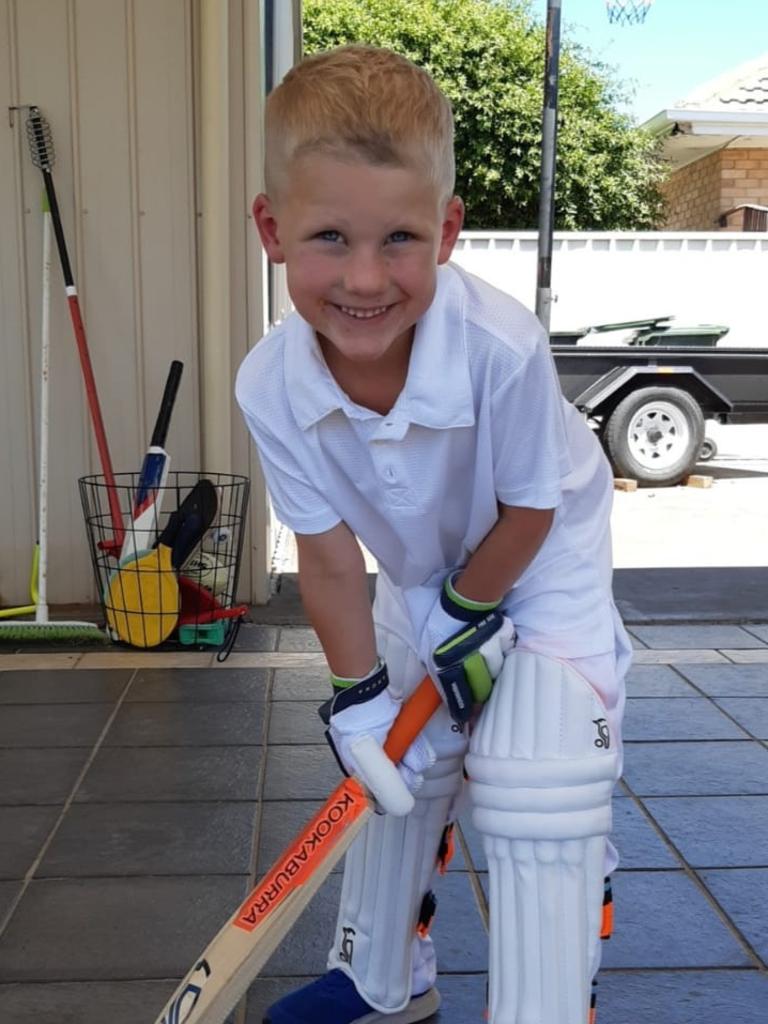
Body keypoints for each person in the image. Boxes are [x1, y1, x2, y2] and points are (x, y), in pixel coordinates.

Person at [236, 44, 632, 1024]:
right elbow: (328, 557)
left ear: (448, 231)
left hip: (543, 566)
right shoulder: (269, 384)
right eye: (328, 237)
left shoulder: (502, 347)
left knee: (537, 767)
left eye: (399, 240)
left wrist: (476, 606)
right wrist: (359, 698)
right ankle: (384, 979)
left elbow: (533, 510)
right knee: (395, 767)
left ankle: (547, 1007)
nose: (364, 279)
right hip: (423, 577)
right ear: (272, 230)